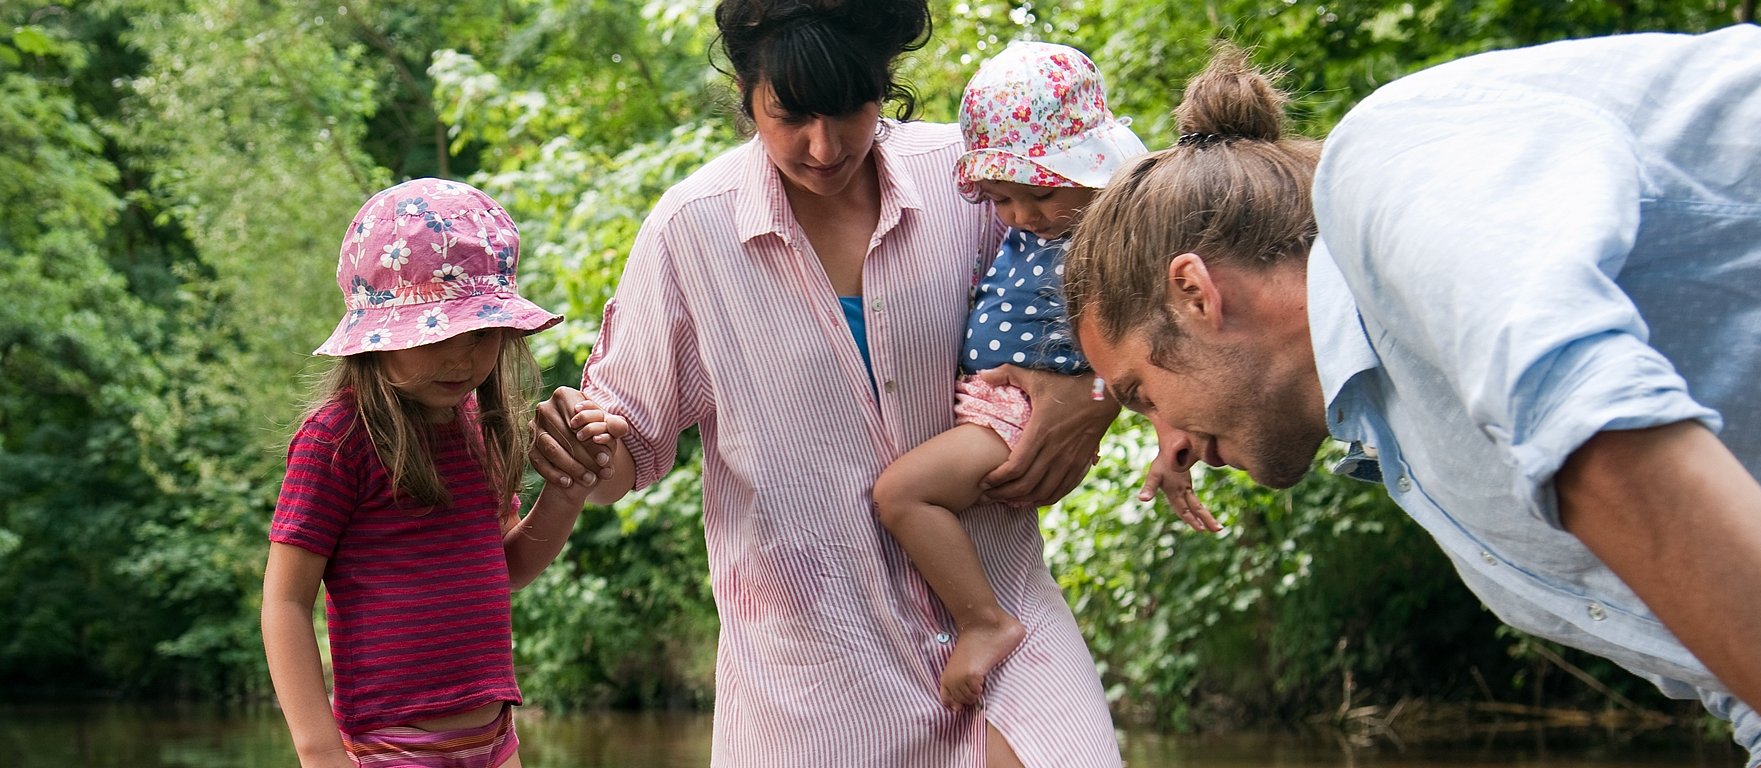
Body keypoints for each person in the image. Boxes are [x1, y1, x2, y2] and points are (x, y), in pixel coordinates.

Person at [1064, 28, 1761, 767]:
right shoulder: (1443, 489)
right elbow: (1759, 699)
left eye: (1142, 395)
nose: (1170, 445)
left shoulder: (1387, 165)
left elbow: (1594, 430)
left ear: (1194, 293)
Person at [528, 1, 1125, 764]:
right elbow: (620, 461)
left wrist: (1097, 398)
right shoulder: (691, 233)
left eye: (851, 109)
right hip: (819, 684)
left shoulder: (973, 182)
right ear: (747, 95)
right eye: (793, 115)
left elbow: (1123, 295)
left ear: (883, 85)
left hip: (1006, 623)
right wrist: (583, 449)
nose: (824, 145)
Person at [868, 40, 1219, 713]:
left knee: (900, 495)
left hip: (1017, 423)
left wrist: (1171, 432)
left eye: (1038, 193)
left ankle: (984, 621)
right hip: (996, 409)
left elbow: (1149, 341)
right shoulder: (1049, 226)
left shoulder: (1107, 244)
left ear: (1090, 174)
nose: (1022, 215)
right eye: (1001, 199)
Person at [262, 177, 587, 768]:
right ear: (376, 338)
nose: (461, 358)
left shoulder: (478, 428)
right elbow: (285, 601)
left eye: (482, 333)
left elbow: (506, 567)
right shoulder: (338, 440)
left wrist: (567, 493)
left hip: (494, 739)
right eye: (438, 334)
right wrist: (319, 752)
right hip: (393, 746)